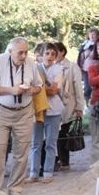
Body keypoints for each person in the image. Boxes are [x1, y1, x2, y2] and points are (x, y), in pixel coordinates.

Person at [0, 36, 42, 195]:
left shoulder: (31, 63)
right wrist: (12, 90)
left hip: (24, 111)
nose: (23, 56)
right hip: (1, 111)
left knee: (21, 151)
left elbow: (39, 85)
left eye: (26, 52)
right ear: (10, 52)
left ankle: (16, 187)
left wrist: (32, 90)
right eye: (20, 53)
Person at [29, 43, 65, 183]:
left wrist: (39, 89)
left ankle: (48, 172)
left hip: (54, 110)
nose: (49, 57)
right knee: (35, 143)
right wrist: (44, 89)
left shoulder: (58, 69)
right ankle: (34, 172)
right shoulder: (35, 69)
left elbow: (54, 91)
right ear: (41, 55)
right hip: (38, 109)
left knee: (51, 142)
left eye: (52, 54)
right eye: (47, 53)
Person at [54, 42, 85, 171]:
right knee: (53, 135)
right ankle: (56, 160)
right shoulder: (50, 66)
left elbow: (78, 88)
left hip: (68, 105)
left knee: (63, 133)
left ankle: (64, 161)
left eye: (55, 52)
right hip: (53, 106)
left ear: (62, 52)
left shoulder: (72, 67)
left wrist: (79, 107)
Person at [77, 27, 99, 101]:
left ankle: (96, 103)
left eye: (94, 35)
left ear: (97, 35)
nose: (92, 37)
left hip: (97, 69)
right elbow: (81, 57)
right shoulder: (85, 45)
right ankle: (88, 103)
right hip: (86, 69)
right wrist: (79, 68)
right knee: (87, 88)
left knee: (96, 87)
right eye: (91, 35)